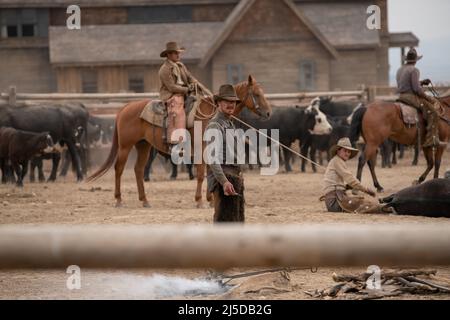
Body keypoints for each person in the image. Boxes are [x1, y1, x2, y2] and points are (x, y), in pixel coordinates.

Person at [205, 84, 245, 222]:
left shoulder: (229, 123)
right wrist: (224, 181)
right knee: (224, 221)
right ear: (218, 103)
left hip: (233, 177)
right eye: (227, 101)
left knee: (235, 221)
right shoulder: (215, 125)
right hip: (223, 178)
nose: (231, 104)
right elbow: (212, 158)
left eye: (233, 101)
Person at [396, 48, 446, 148]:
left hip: (401, 96)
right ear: (415, 60)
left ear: (407, 59)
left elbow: (406, 84)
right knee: (433, 112)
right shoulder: (414, 70)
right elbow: (416, 89)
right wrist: (429, 98)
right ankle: (431, 140)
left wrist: (421, 82)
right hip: (410, 97)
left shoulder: (400, 69)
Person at [321, 138, 379, 213]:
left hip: (335, 199)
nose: (347, 153)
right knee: (364, 204)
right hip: (335, 201)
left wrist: (346, 187)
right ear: (338, 151)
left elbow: (337, 183)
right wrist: (366, 190)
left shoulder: (337, 161)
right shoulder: (337, 161)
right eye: (345, 151)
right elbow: (350, 179)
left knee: (363, 203)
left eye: (349, 152)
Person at [158, 41, 198, 148]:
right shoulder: (164, 70)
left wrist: (195, 83)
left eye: (178, 53)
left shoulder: (180, 66)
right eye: (176, 53)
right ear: (169, 55)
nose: (178, 55)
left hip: (185, 92)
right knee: (177, 110)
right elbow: (172, 87)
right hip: (171, 94)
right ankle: (176, 141)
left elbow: (190, 77)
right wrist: (187, 90)